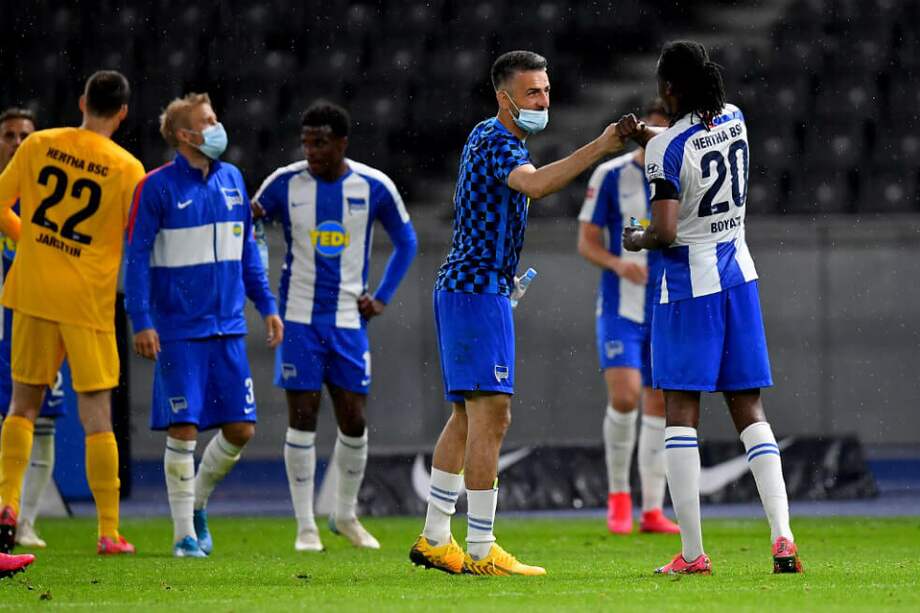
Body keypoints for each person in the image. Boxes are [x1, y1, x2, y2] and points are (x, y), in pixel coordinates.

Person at [409, 50, 628, 576]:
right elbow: (534, 184)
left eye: (547, 91)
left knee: (467, 415)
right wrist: (600, 146)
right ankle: (481, 549)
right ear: (503, 97)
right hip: (473, 291)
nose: (543, 101)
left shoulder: (495, 139)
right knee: (493, 414)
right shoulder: (496, 140)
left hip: (477, 289)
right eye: (532, 93)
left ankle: (436, 537)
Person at [621, 40, 802, 575]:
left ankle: (694, 552)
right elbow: (694, 143)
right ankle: (783, 537)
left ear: (670, 89)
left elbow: (667, 230)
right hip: (739, 277)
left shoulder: (664, 152)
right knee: (750, 411)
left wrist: (637, 238)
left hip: (688, 288)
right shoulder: (735, 117)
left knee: (681, 412)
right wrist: (646, 134)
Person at [253, 101, 417, 553]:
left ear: (342, 142)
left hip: (348, 321)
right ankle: (305, 526)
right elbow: (250, 223)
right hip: (299, 322)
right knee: (302, 419)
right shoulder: (284, 184)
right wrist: (264, 292)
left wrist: (381, 296)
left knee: (354, 421)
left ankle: (344, 514)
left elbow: (407, 241)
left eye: (320, 142)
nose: (311, 150)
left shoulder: (374, 185)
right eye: (306, 141)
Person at [125, 92, 282, 558]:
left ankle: (196, 504)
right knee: (184, 427)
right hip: (178, 330)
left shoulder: (233, 179)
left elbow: (247, 253)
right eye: (207, 121)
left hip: (228, 328)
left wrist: (267, 305)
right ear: (183, 134)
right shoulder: (154, 188)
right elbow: (135, 259)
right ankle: (183, 536)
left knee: (240, 430)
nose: (217, 127)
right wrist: (142, 320)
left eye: (216, 118)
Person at [0, 71, 145, 556]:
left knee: (22, 407)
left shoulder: (39, 143)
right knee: (97, 418)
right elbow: (136, 237)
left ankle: (6, 506)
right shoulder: (127, 169)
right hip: (87, 302)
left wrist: (34, 244)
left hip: (35, 290)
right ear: (122, 113)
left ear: (82, 100)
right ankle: (108, 531)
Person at [577, 99, 679, 536]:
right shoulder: (611, 176)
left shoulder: (680, 173)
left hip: (666, 303)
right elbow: (586, 242)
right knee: (625, 397)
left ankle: (652, 509)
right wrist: (620, 265)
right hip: (620, 306)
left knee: (660, 402)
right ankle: (619, 494)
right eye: (649, 131)